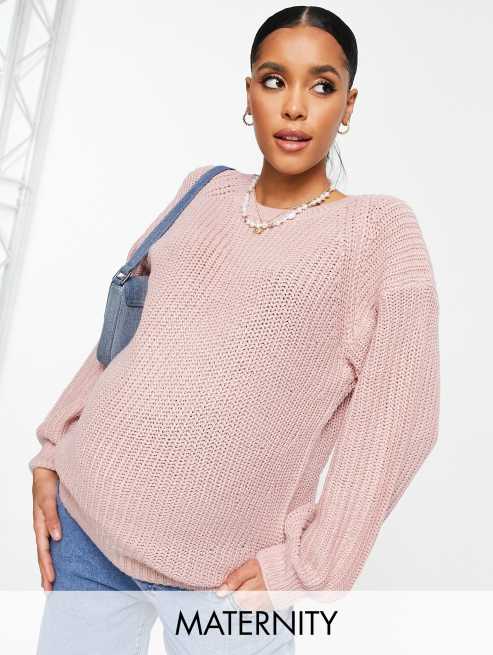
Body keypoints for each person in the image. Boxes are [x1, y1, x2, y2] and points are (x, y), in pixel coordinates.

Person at [29, 6, 440, 654]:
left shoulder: (378, 233)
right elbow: (124, 328)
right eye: (275, 81)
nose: (295, 106)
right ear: (249, 94)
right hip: (84, 529)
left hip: (228, 583)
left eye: (321, 85)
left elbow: (400, 421)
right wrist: (53, 448)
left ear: (349, 105)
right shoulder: (203, 189)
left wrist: (308, 570)